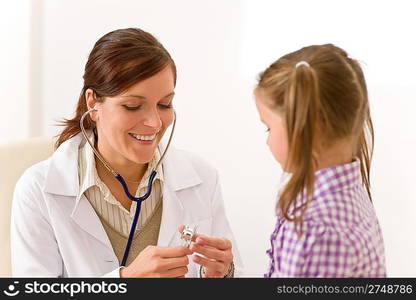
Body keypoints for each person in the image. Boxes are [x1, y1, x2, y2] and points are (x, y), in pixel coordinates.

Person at [11, 28, 241, 278]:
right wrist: (124, 281)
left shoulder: (201, 178)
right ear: (93, 103)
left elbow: (236, 276)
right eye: (132, 106)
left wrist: (224, 274)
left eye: (165, 104)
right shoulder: (38, 190)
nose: (154, 123)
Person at [254, 44, 386, 277]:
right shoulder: (350, 197)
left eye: (268, 128)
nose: (267, 141)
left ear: (308, 127)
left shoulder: (315, 230)